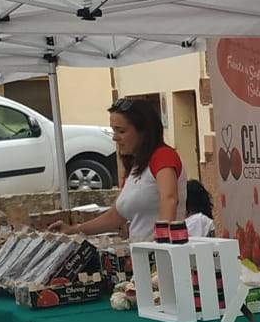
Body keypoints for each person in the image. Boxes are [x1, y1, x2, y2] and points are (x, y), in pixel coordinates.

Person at [59, 98, 184, 242]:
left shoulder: (163, 156)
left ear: (144, 132)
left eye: (121, 131)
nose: (115, 138)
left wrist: (162, 242)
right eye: (113, 131)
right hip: (141, 250)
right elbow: (116, 216)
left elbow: (169, 198)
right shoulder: (136, 167)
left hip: (157, 250)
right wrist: (73, 230)